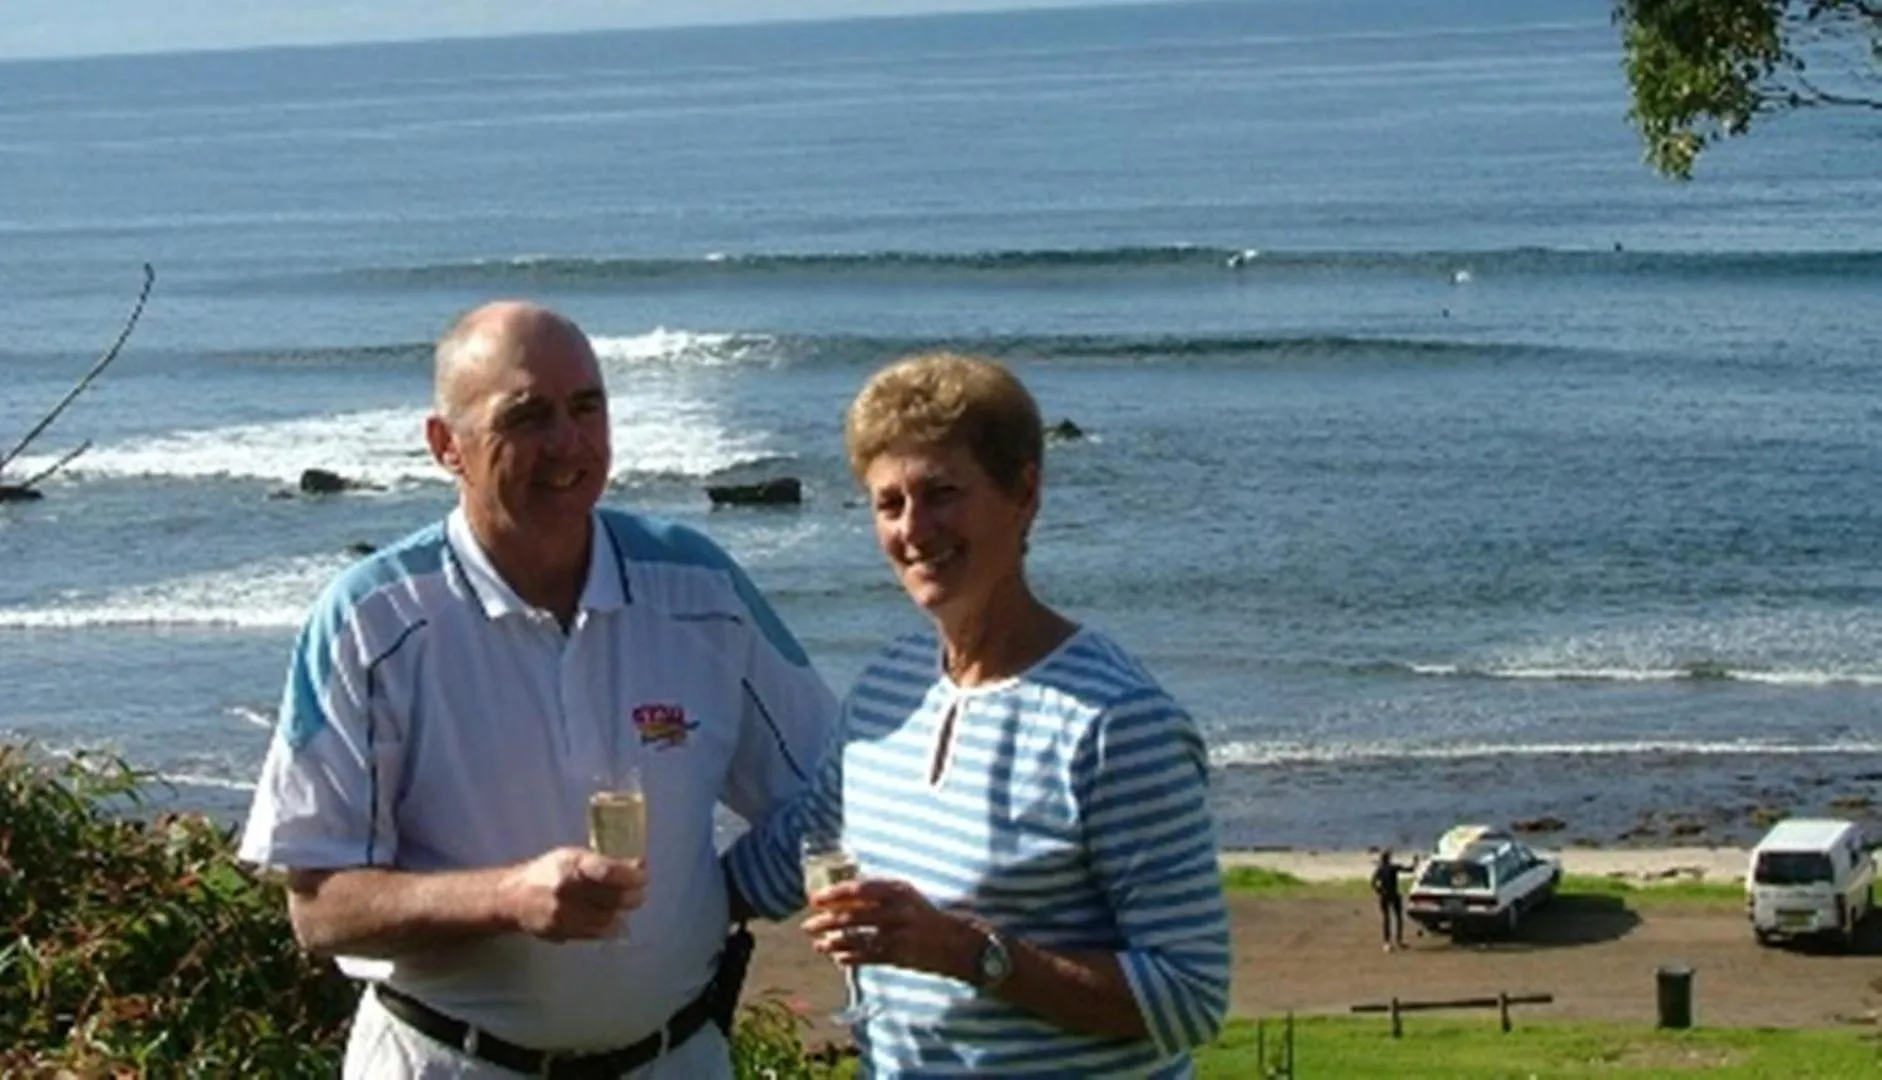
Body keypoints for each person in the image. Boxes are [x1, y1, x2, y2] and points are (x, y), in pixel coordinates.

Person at [238, 301, 837, 1079]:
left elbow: (834, 790)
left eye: (587, 407)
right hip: (448, 1062)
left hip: (676, 1059)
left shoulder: (699, 589)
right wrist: (506, 898)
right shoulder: (373, 620)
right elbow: (320, 909)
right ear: (445, 445)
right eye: (527, 416)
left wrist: (721, 895)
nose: (568, 443)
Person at [723, 352, 1231, 1077]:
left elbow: (1191, 998)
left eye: (942, 494)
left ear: (1024, 494)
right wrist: (636, 900)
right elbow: (792, 852)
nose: (914, 528)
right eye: (888, 504)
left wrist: (965, 952)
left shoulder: (1117, 722)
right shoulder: (889, 686)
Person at [1371, 849, 1417, 952]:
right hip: (1394, 895)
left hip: (1384, 896)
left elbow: (1373, 883)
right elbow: (1410, 870)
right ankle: (1399, 940)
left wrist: (1379, 891)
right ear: (1389, 858)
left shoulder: (1380, 869)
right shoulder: (1393, 867)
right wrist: (1415, 862)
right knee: (1398, 918)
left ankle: (1387, 942)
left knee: (1386, 919)